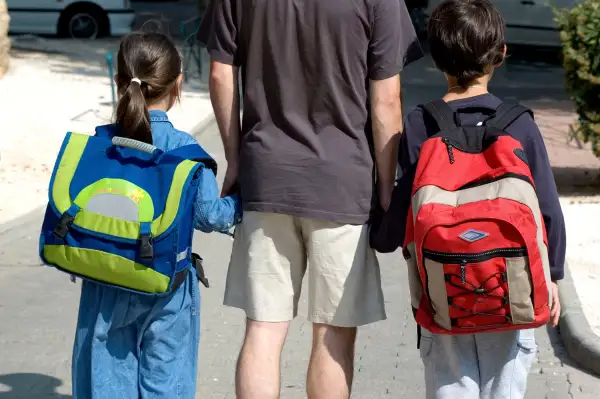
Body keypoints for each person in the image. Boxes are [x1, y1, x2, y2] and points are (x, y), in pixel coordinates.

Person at [198, 0, 423, 397]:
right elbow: (387, 98)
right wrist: (386, 186)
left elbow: (220, 73)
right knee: (332, 331)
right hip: (343, 181)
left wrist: (235, 158)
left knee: (263, 327)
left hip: (265, 176)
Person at [371, 0, 566, 398]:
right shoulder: (520, 124)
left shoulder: (420, 122)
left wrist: (382, 236)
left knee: (449, 385)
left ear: (435, 60)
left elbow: (407, 199)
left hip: (442, 287)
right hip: (514, 289)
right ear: (501, 55)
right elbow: (547, 207)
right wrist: (554, 275)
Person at [71, 31, 242, 398]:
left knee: (108, 378)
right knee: (167, 379)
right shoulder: (185, 150)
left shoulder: (101, 144)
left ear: (119, 81)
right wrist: (240, 204)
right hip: (168, 285)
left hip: (107, 279)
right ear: (177, 84)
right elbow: (210, 216)